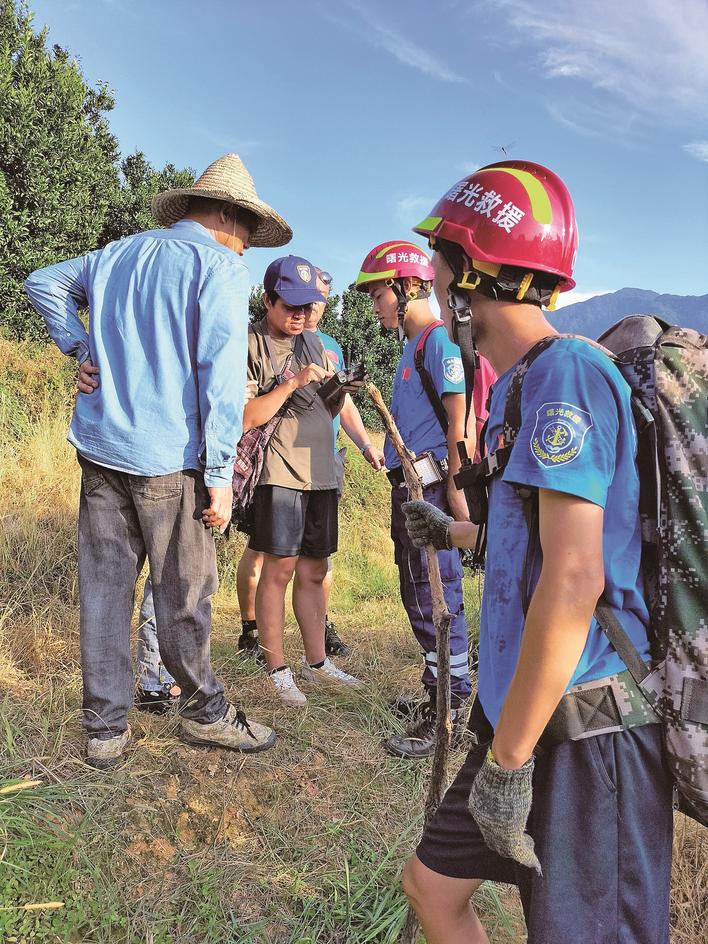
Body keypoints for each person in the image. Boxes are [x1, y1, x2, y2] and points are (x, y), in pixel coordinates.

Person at [400, 160, 672, 942]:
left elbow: (578, 575)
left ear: (472, 272)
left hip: (585, 729)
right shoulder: (521, 386)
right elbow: (542, 545)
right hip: (520, 711)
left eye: (442, 260)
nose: (435, 278)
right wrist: (455, 534)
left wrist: (510, 763)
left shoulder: (569, 377)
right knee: (432, 887)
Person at [25, 153, 289, 767]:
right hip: (171, 461)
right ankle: (204, 712)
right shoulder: (218, 267)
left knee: (105, 589)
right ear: (227, 214)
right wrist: (220, 477)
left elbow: (42, 282)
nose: (246, 246)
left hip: (102, 450)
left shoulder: (117, 254)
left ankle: (104, 730)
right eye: (248, 230)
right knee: (186, 594)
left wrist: (79, 345)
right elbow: (220, 380)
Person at [354, 241, 489, 759]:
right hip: (409, 490)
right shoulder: (411, 350)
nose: (376, 305)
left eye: (379, 293)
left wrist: (458, 504)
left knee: (439, 599)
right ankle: (437, 694)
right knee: (418, 595)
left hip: (431, 490)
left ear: (408, 286)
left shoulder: (438, 343)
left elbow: (459, 429)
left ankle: (449, 714)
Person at [235, 267, 385, 663]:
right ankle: (276, 668)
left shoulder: (316, 341)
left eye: (308, 306)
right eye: (291, 306)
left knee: (315, 571)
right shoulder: (250, 344)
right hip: (281, 472)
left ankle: (318, 661)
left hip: (322, 471)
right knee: (279, 570)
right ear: (267, 300)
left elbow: (331, 405)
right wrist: (292, 382)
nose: (300, 315)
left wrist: (341, 395)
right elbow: (247, 417)